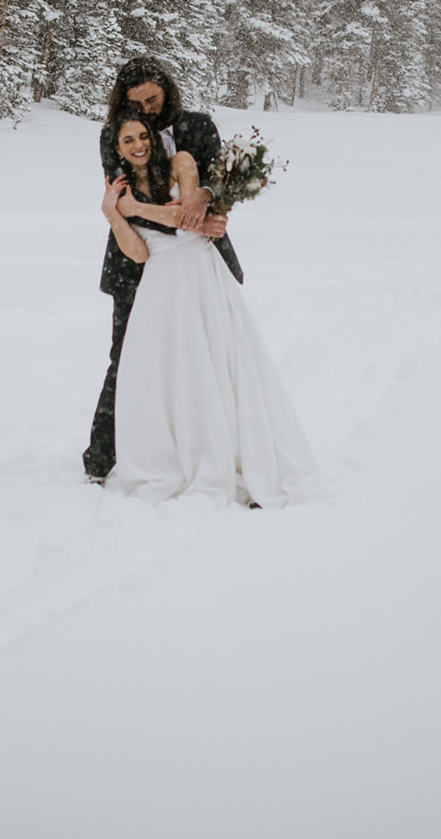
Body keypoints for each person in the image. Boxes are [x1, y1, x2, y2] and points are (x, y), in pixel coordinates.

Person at [100, 108, 315, 508]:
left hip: (198, 271)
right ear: (117, 148)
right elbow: (140, 253)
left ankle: (231, 454)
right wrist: (113, 214)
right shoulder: (121, 191)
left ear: (154, 136)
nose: (138, 145)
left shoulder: (181, 162)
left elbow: (190, 222)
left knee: (216, 358)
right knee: (169, 370)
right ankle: (177, 454)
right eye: (127, 141)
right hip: (160, 282)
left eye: (142, 136)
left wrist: (136, 209)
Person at [83, 57, 241, 481]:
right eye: (137, 103)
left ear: (167, 90)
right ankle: (102, 459)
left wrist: (206, 201)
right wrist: (185, 221)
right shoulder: (114, 136)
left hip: (199, 262)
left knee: (209, 356)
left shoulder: (199, 125)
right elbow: (124, 205)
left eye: (153, 99)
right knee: (128, 357)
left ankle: (212, 448)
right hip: (135, 260)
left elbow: (224, 179)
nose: (147, 110)